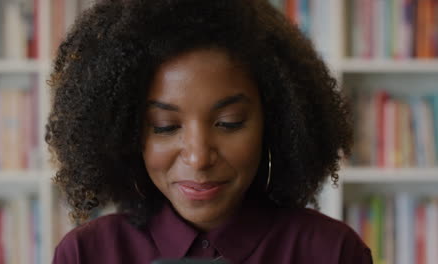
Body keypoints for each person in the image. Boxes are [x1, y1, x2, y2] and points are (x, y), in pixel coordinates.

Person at [46, 0, 372, 263]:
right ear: (127, 134)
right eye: (166, 127)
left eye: (229, 122)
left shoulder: (333, 253)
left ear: (274, 123)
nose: (199, 156)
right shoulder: (85, 255)